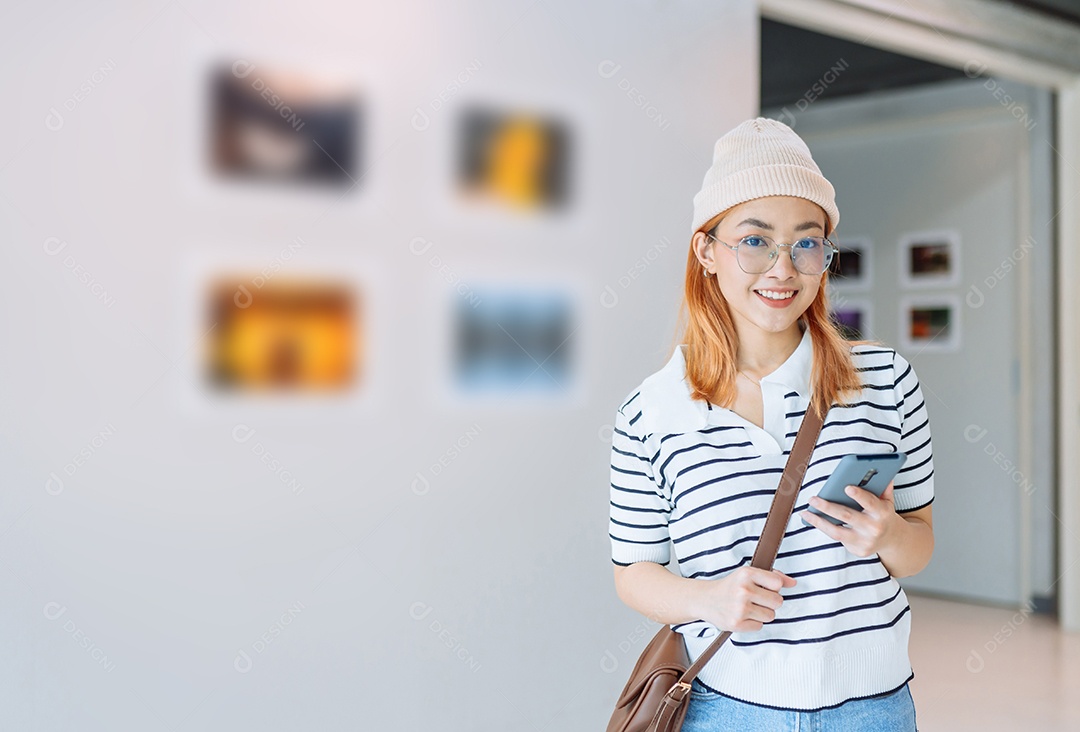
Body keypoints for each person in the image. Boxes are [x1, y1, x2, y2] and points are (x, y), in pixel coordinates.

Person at [608, 118, 935, 731]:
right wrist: (706, 598)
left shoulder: (885, 379)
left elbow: (919, 545)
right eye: (754, 241)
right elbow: (633, 572)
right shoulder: (651, 410)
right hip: (725, 707)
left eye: (806, 243)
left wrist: (886, 535)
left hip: (874, 708)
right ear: (707, 251)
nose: (783, 269)